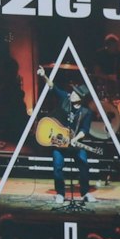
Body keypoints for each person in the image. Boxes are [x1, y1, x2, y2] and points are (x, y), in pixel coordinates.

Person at [37, 68, 96, 207]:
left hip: (74, 141)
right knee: (57, 166)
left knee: (84, 163)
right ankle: (60, 193)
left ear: (80, 98)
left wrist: (75, 139)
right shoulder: (66, 98)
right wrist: (44, 75)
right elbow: (53, 87)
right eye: (73, 92)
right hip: (59, 141)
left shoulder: (86, 112)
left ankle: (85, 193)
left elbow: (85, 130)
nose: (72, 94)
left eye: (76, 94)